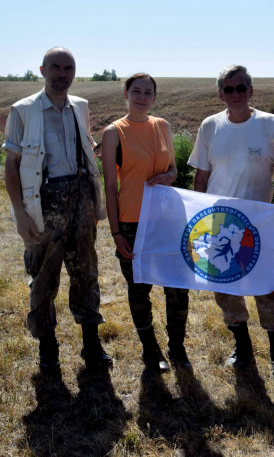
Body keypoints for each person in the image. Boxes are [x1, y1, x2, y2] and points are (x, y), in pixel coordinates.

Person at [3, 47, 112, 372]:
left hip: (80, 200)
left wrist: (91, 201)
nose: (61, 73)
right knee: (43, 277)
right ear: (42, 70)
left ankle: (92, 347)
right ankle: (47, 349)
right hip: (43, 204)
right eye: (55, 67)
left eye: (68, 68)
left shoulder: (81, 106)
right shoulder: (23, 110)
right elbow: (12, 167)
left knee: (86, 274)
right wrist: (21, 213)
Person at [187, 65, 274, 379]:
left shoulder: (271, 124)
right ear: (221, 93)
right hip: (219, 224)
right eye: (229, 89)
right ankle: (242, 347)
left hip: (260, 226)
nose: (236, 94)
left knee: (268, 290)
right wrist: (197, 219)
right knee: (226, 291)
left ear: (251, 91)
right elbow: (201, 178)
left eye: (241, 88)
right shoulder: (210, 126)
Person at [101, 73, 191, 373]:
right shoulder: (114, 132)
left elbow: (173, 169)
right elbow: (110, 188)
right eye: (136, 91)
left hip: (169, 221)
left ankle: (177, 347)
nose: (141, 96)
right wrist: (116, 233)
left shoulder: (163, 126)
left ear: (154, 96)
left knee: (178, 288)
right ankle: (151, 350)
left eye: (148, 92)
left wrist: (168, 176)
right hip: (132, 222)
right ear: (126, 94)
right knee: (139, 290)